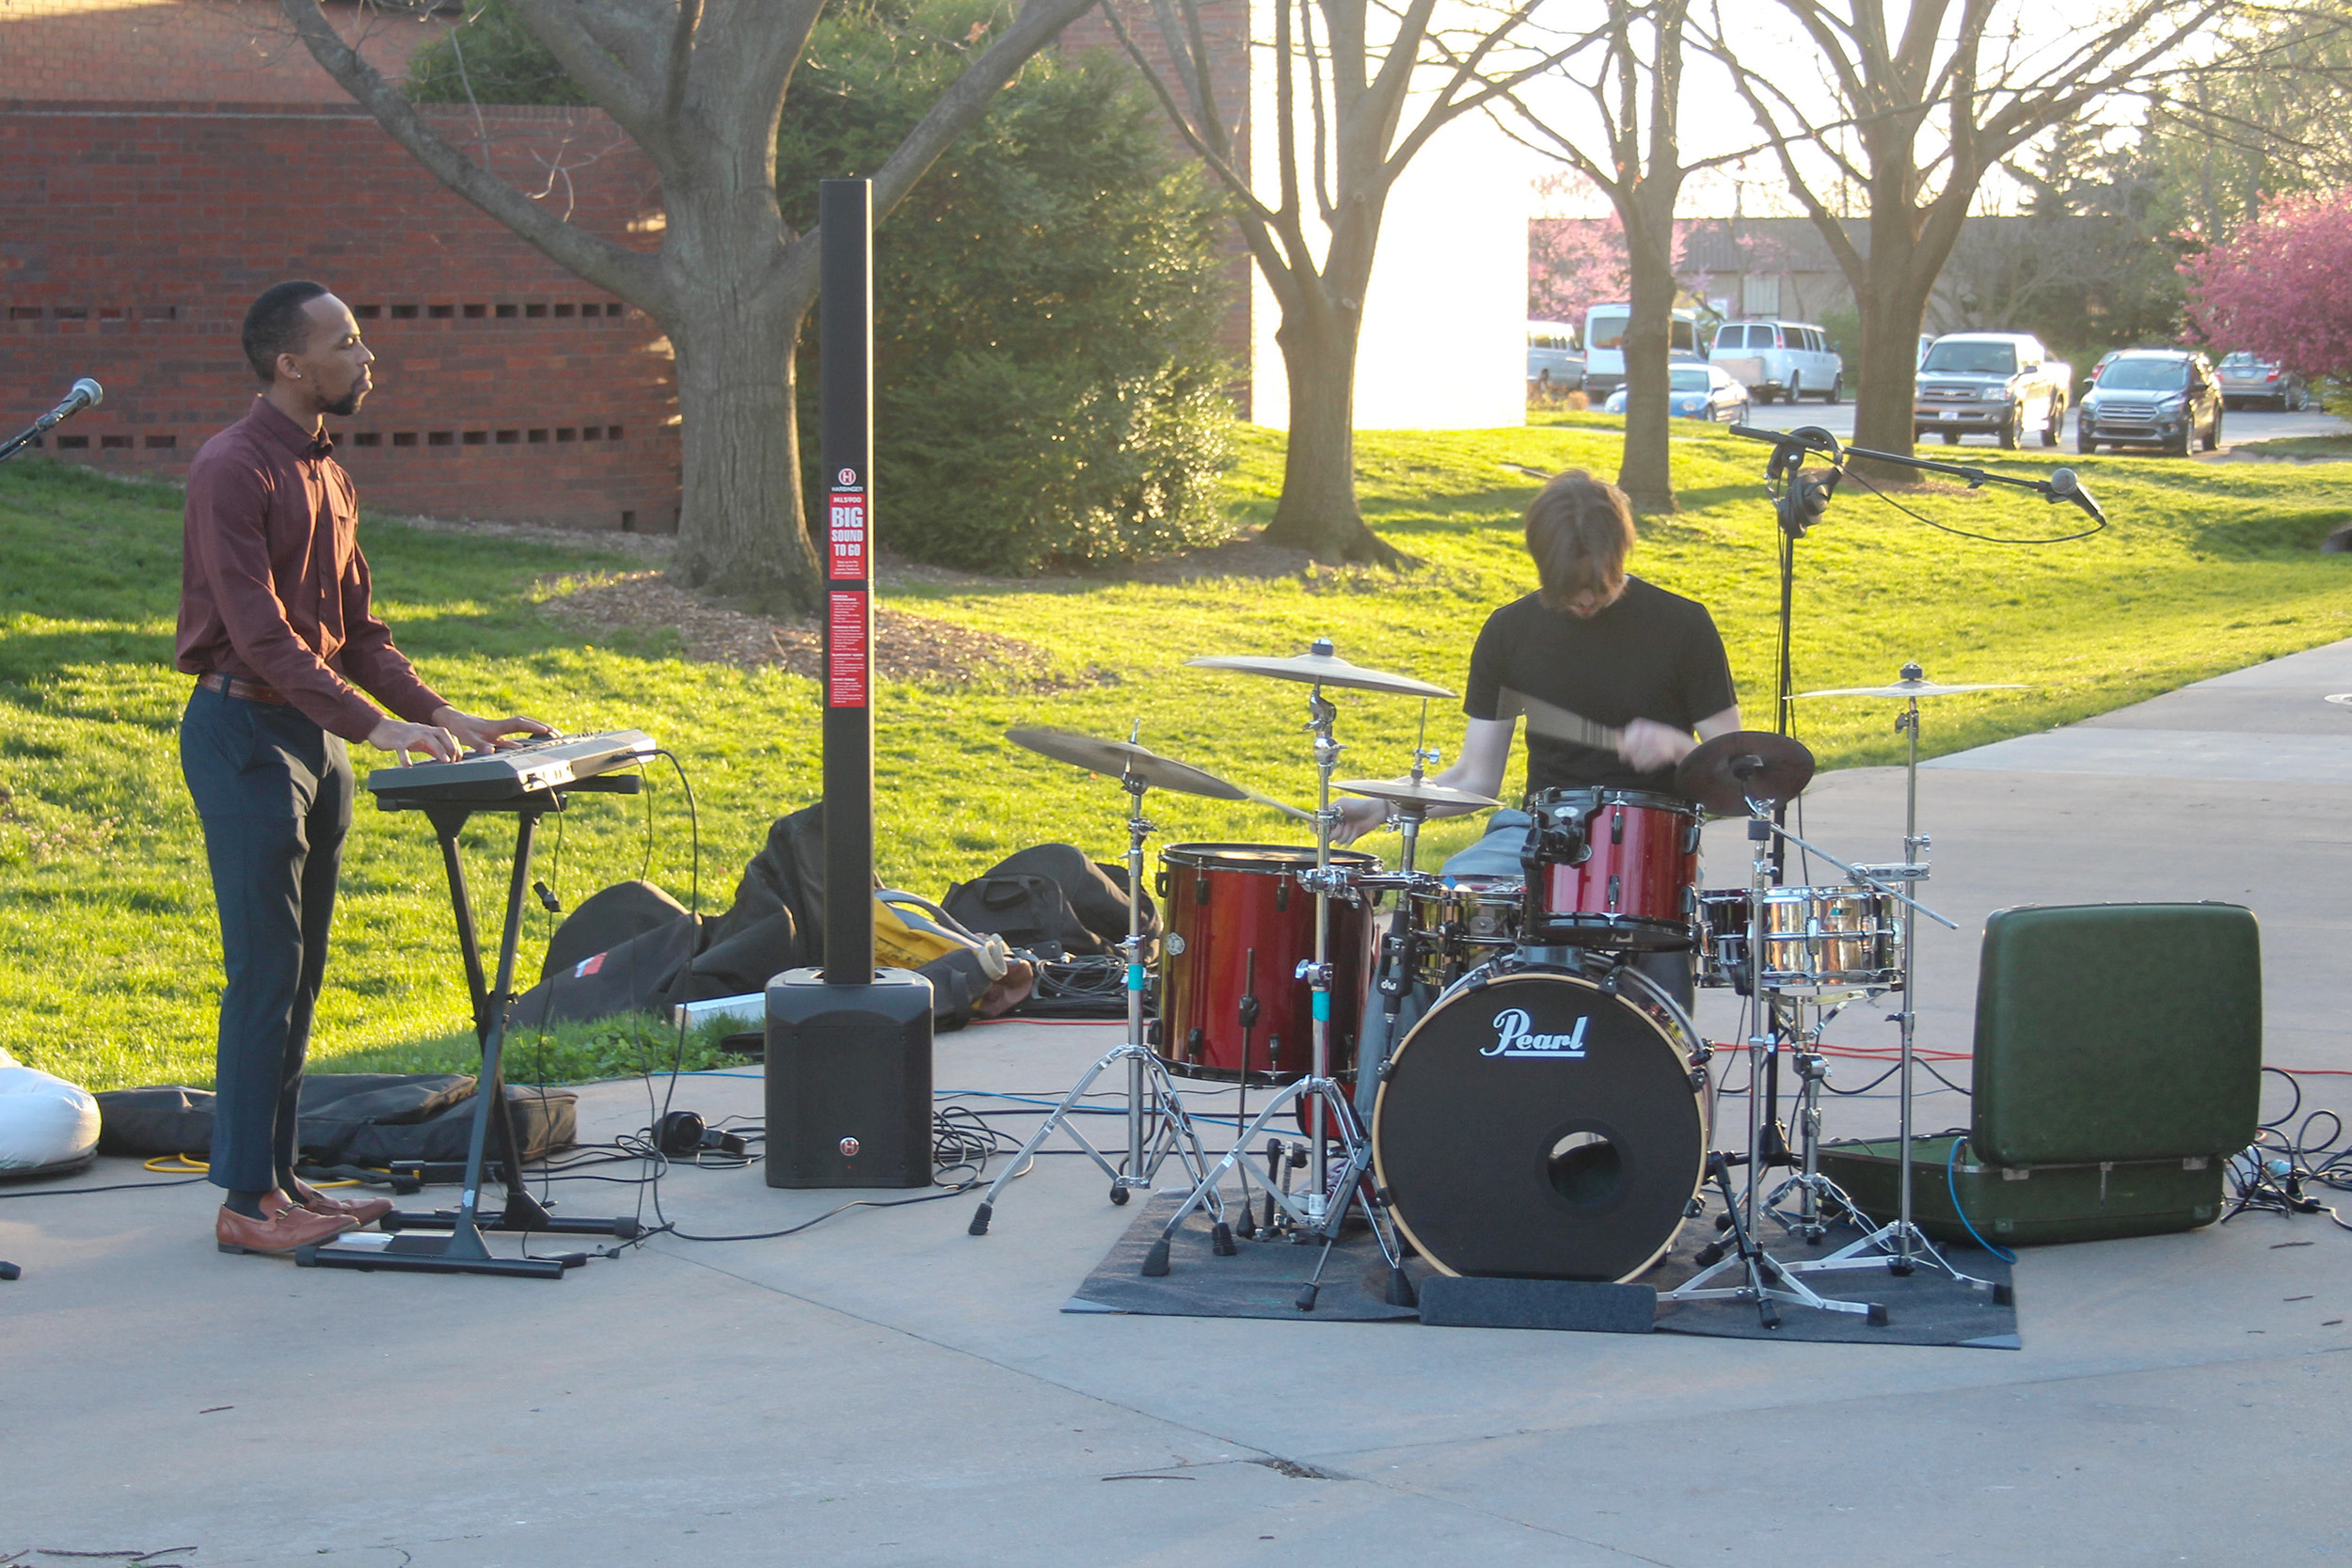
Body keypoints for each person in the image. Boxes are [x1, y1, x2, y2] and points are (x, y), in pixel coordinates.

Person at [178, 280, 550, 1257]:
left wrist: (440, 714)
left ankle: (283, 1176)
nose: (365, 355)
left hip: (313, 741)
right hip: (243, 736)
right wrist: (373, 726)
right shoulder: (232, 467)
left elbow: (358, 632)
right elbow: (257, 632)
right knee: (264, 971)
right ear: (288, 364)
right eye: (344, 342)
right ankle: (244, 1205)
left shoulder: (330, 471)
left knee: (299, 977)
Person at [1335, 467, 1740, 1005]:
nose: (1585, 601)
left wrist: (1681, 748)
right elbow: (1475, 776)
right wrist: (1385, 807)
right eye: (1570, 590)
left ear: (1621, 554)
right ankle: (1408, 1081)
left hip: (1650, 847)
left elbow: (1738, 774)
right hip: (1537, 834)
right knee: (1433, 920)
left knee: (1654, 963)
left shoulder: (1684, 627)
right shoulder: (1510, 632)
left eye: (1598, 585)